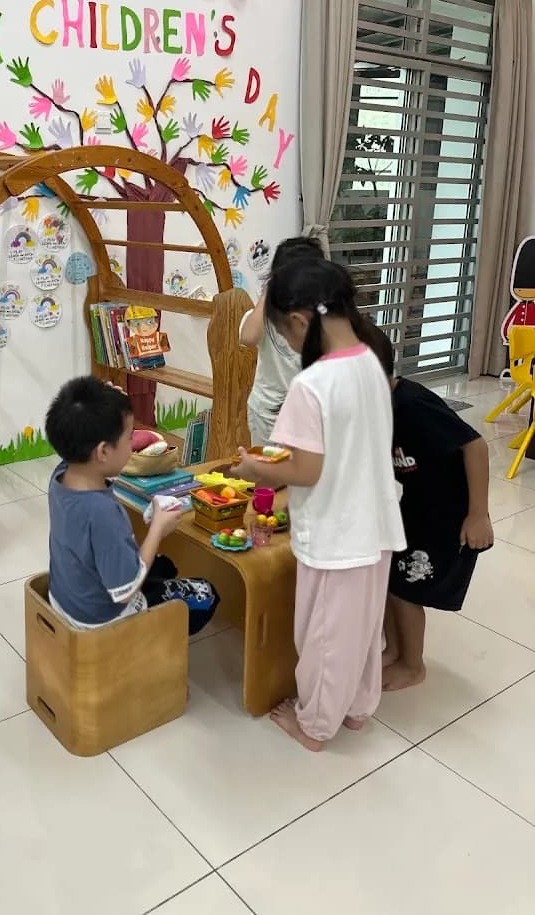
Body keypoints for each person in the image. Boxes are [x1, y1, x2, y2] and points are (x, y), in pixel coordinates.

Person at [232, 259, 405, 751]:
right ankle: (356, 708)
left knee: (325, 636)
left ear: (301, 321)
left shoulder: (312, 385)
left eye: (283, 333)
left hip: (336, 533)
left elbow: (305, 471)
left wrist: (253, 469)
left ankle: (314, 726)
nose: (286, 345)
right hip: (375, 523)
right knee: (363, 629)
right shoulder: (371, 360)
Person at [367, 328, 494, 691]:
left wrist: (477, 514)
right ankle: (394, 650)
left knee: (408, 589)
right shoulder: (376, 407)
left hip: (449, 515)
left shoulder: (411, 403)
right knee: (391, 580)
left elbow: (475, 446)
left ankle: (413, 664)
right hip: (417, 505)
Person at [44, 376, 219, 633]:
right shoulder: (103, 513)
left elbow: (100, 461)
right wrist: (158, 529)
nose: (131, 446)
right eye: (128, 439)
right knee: (206, 594)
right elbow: (125, 592)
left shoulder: (62, 475)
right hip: (104, 617)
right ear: (102, 452)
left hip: (67, 600)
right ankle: (148, 654)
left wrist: (108, 403)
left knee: (165, 565)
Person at [239, 236, 325, 446]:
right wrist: (268, 293)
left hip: (309, 411)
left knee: (303, 473)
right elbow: (248, 338)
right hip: (267, 413)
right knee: (269, 474)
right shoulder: (265, 315)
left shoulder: (323, 313)